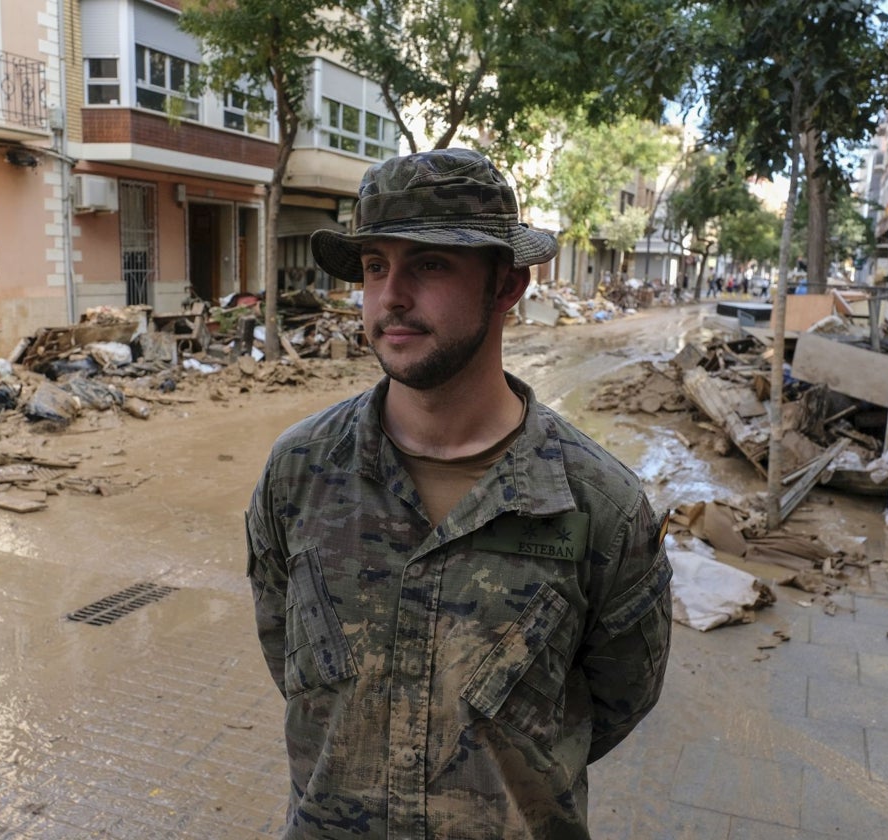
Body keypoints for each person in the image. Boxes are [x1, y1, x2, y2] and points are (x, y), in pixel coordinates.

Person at [245, 148, 673, 839]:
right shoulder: (299, 474)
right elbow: (288, 660)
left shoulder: (599, 507)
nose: (391, 296)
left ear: (507, 287)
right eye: (376, 266)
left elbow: (611, 705)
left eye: (430, 264)